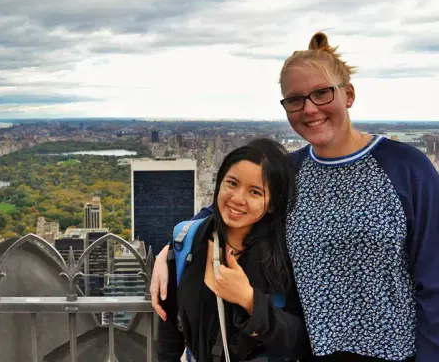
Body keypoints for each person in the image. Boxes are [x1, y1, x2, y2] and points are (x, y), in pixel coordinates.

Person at [152, 31, 439, 361]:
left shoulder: (406, 167)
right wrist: (169, 253)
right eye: (295, 99)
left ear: (348, 95)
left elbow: (433, 279)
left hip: (394, 354)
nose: (309, 109)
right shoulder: (288, 172)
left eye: (321, 93)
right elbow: (228, 210)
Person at [157, 138, 310, 361]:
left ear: (273, 204)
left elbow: (301, 341)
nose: (238, 199)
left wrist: (250, 301)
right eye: (232, 183)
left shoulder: (288, 254)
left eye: (255, 192)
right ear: (219, 183)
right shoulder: (186, 240)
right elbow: (170, 329)